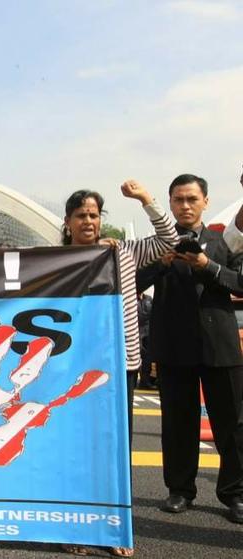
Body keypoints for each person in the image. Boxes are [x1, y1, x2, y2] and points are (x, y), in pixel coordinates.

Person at [61, 180, 177, 558]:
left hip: (121, 366)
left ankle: (115, 531)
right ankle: (75, 526)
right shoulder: (52, 262)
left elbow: (170, 241)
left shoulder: (123, 253)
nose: (89, 221)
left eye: (94, 215)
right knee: (76, 446)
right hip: (72, 368)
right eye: (81, 216)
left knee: (114, 447)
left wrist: (146, 199)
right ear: (68, 222)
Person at [136, 174, 243, 524]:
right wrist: (160, 263)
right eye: (178, 199)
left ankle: (235, 493)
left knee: (232, 423)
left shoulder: (224, 240)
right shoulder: (155, 244)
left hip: (220, 345)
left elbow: (239, 281)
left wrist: (206, 266)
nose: (185, 205)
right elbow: (131, 282)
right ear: (169, 204)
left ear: (205, 202)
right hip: (173, 345)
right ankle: (180, 490)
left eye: (191, 199)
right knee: (178, 423)